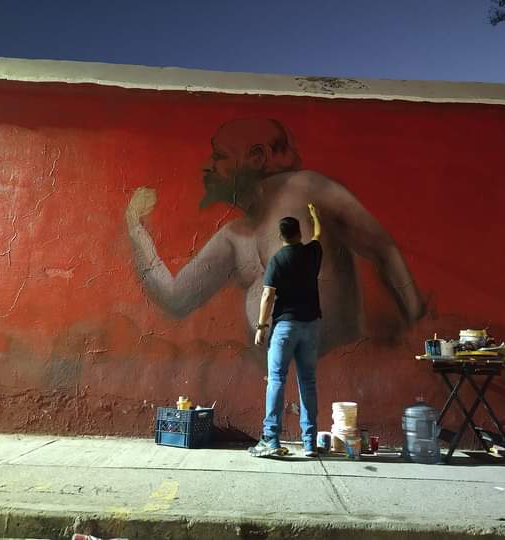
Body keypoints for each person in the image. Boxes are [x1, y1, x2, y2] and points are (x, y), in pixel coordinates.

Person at [126, 118, 423, 357]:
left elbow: (383, 250)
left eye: (219, 156)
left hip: (337, 376)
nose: (208, 166)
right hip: (275, 381)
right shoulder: (233, 236)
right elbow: (176, 299)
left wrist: (420, 329)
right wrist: (135, 228)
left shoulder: (308, 188)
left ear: (256, 157)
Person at [249, 205, 322, 457]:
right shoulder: (313, 253)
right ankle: (310, 443)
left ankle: (271, 439)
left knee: (277, 380)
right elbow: (318, 235)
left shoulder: (277, 260)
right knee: (308, 382)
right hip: (311, 326)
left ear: (280, 237)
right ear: (299, 232)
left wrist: (261, 326)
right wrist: (315, 216)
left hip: (284, 327)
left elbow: (268, 295)